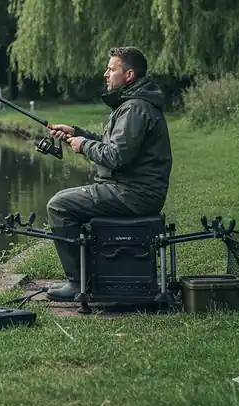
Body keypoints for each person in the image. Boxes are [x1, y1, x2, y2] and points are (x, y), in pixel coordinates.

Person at [44, 46, 173, 301]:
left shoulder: (135, 108)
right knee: (64, 202)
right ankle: (90, 275)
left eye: (112, 69)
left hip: (133, 193)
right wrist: (77, 133)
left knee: (58, 206)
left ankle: (78, 282)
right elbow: (110, 142)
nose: (106, 74)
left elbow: (116, 156)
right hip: (133, 189)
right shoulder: (133, 104)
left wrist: (84, 146)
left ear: (129, 75)